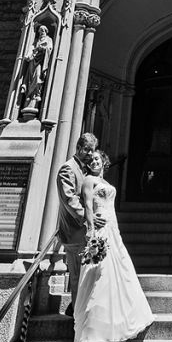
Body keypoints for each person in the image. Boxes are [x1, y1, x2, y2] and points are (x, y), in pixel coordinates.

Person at [73, 146, 153, 342]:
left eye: (97, 159)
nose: (94, 162)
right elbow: (88, 205)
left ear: (104, 161)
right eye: (91, 160)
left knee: (119, 272)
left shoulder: (104, 182)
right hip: (101, 228)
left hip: (112, 228)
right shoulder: (90, 181)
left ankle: (116, 323)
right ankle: (98, 329)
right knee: (103, 274)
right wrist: (91, 230)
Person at [56, 133, 105, 318]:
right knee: (77, 279)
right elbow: (70, 200)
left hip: (85, 233)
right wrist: (87, 218)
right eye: (86, 149)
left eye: (92, 150)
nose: (90, 154)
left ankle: (79, 312)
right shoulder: (68, 169)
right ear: (78, 148)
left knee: (85, 278)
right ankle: (77, 321)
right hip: (75, 233)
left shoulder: (85, 170)